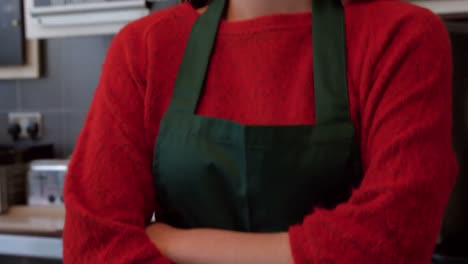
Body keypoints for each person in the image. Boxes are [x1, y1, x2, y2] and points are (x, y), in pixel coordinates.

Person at [63, 0, 459, 263]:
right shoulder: (145, 49)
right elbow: (93, 246)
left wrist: (181, 243)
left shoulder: (404, 38)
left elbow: (393, 241)